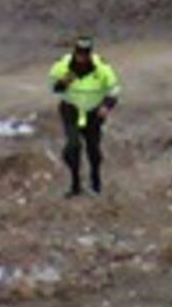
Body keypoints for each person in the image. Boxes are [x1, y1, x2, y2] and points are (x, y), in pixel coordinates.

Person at [48, 36, 121, 198]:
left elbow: (114, 89)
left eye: (85, 54)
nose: (81, 57)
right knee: (73, 146)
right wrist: (65, 81)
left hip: (93, 112)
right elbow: (53, 86)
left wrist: (106, 105)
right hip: (71, 110)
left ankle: (95, 181)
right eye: (79, 53)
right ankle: (75, 184)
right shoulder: (64, 65)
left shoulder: (101, 67)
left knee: (93, 149)